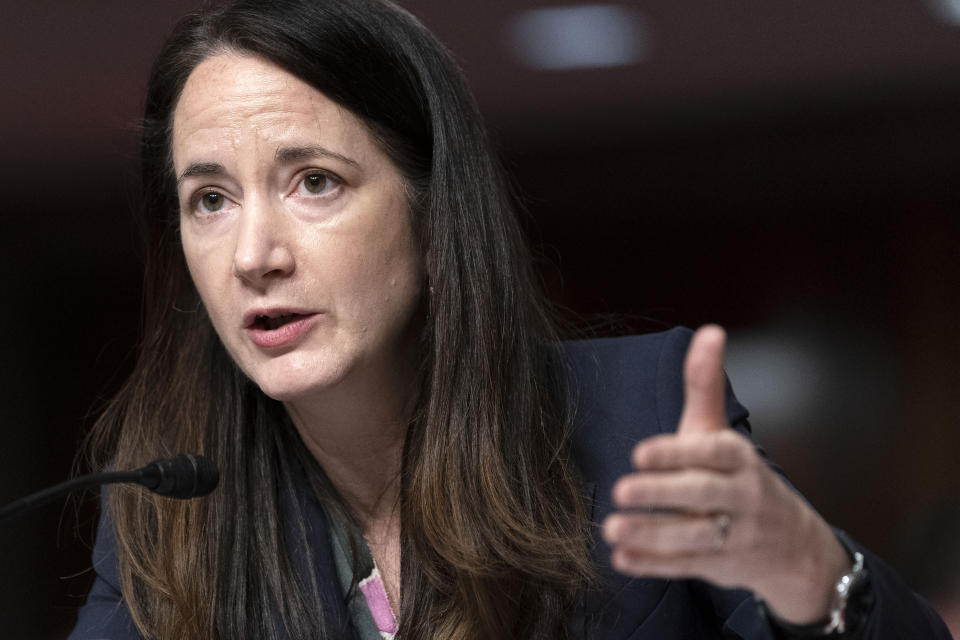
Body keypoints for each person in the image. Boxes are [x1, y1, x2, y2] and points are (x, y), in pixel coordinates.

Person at [69, 1, 952, 639]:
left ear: (432, 210)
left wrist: (806, 568)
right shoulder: (167, 501)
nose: (254, 254)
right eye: (210, 199)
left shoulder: (634, 416)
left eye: (316, 182)